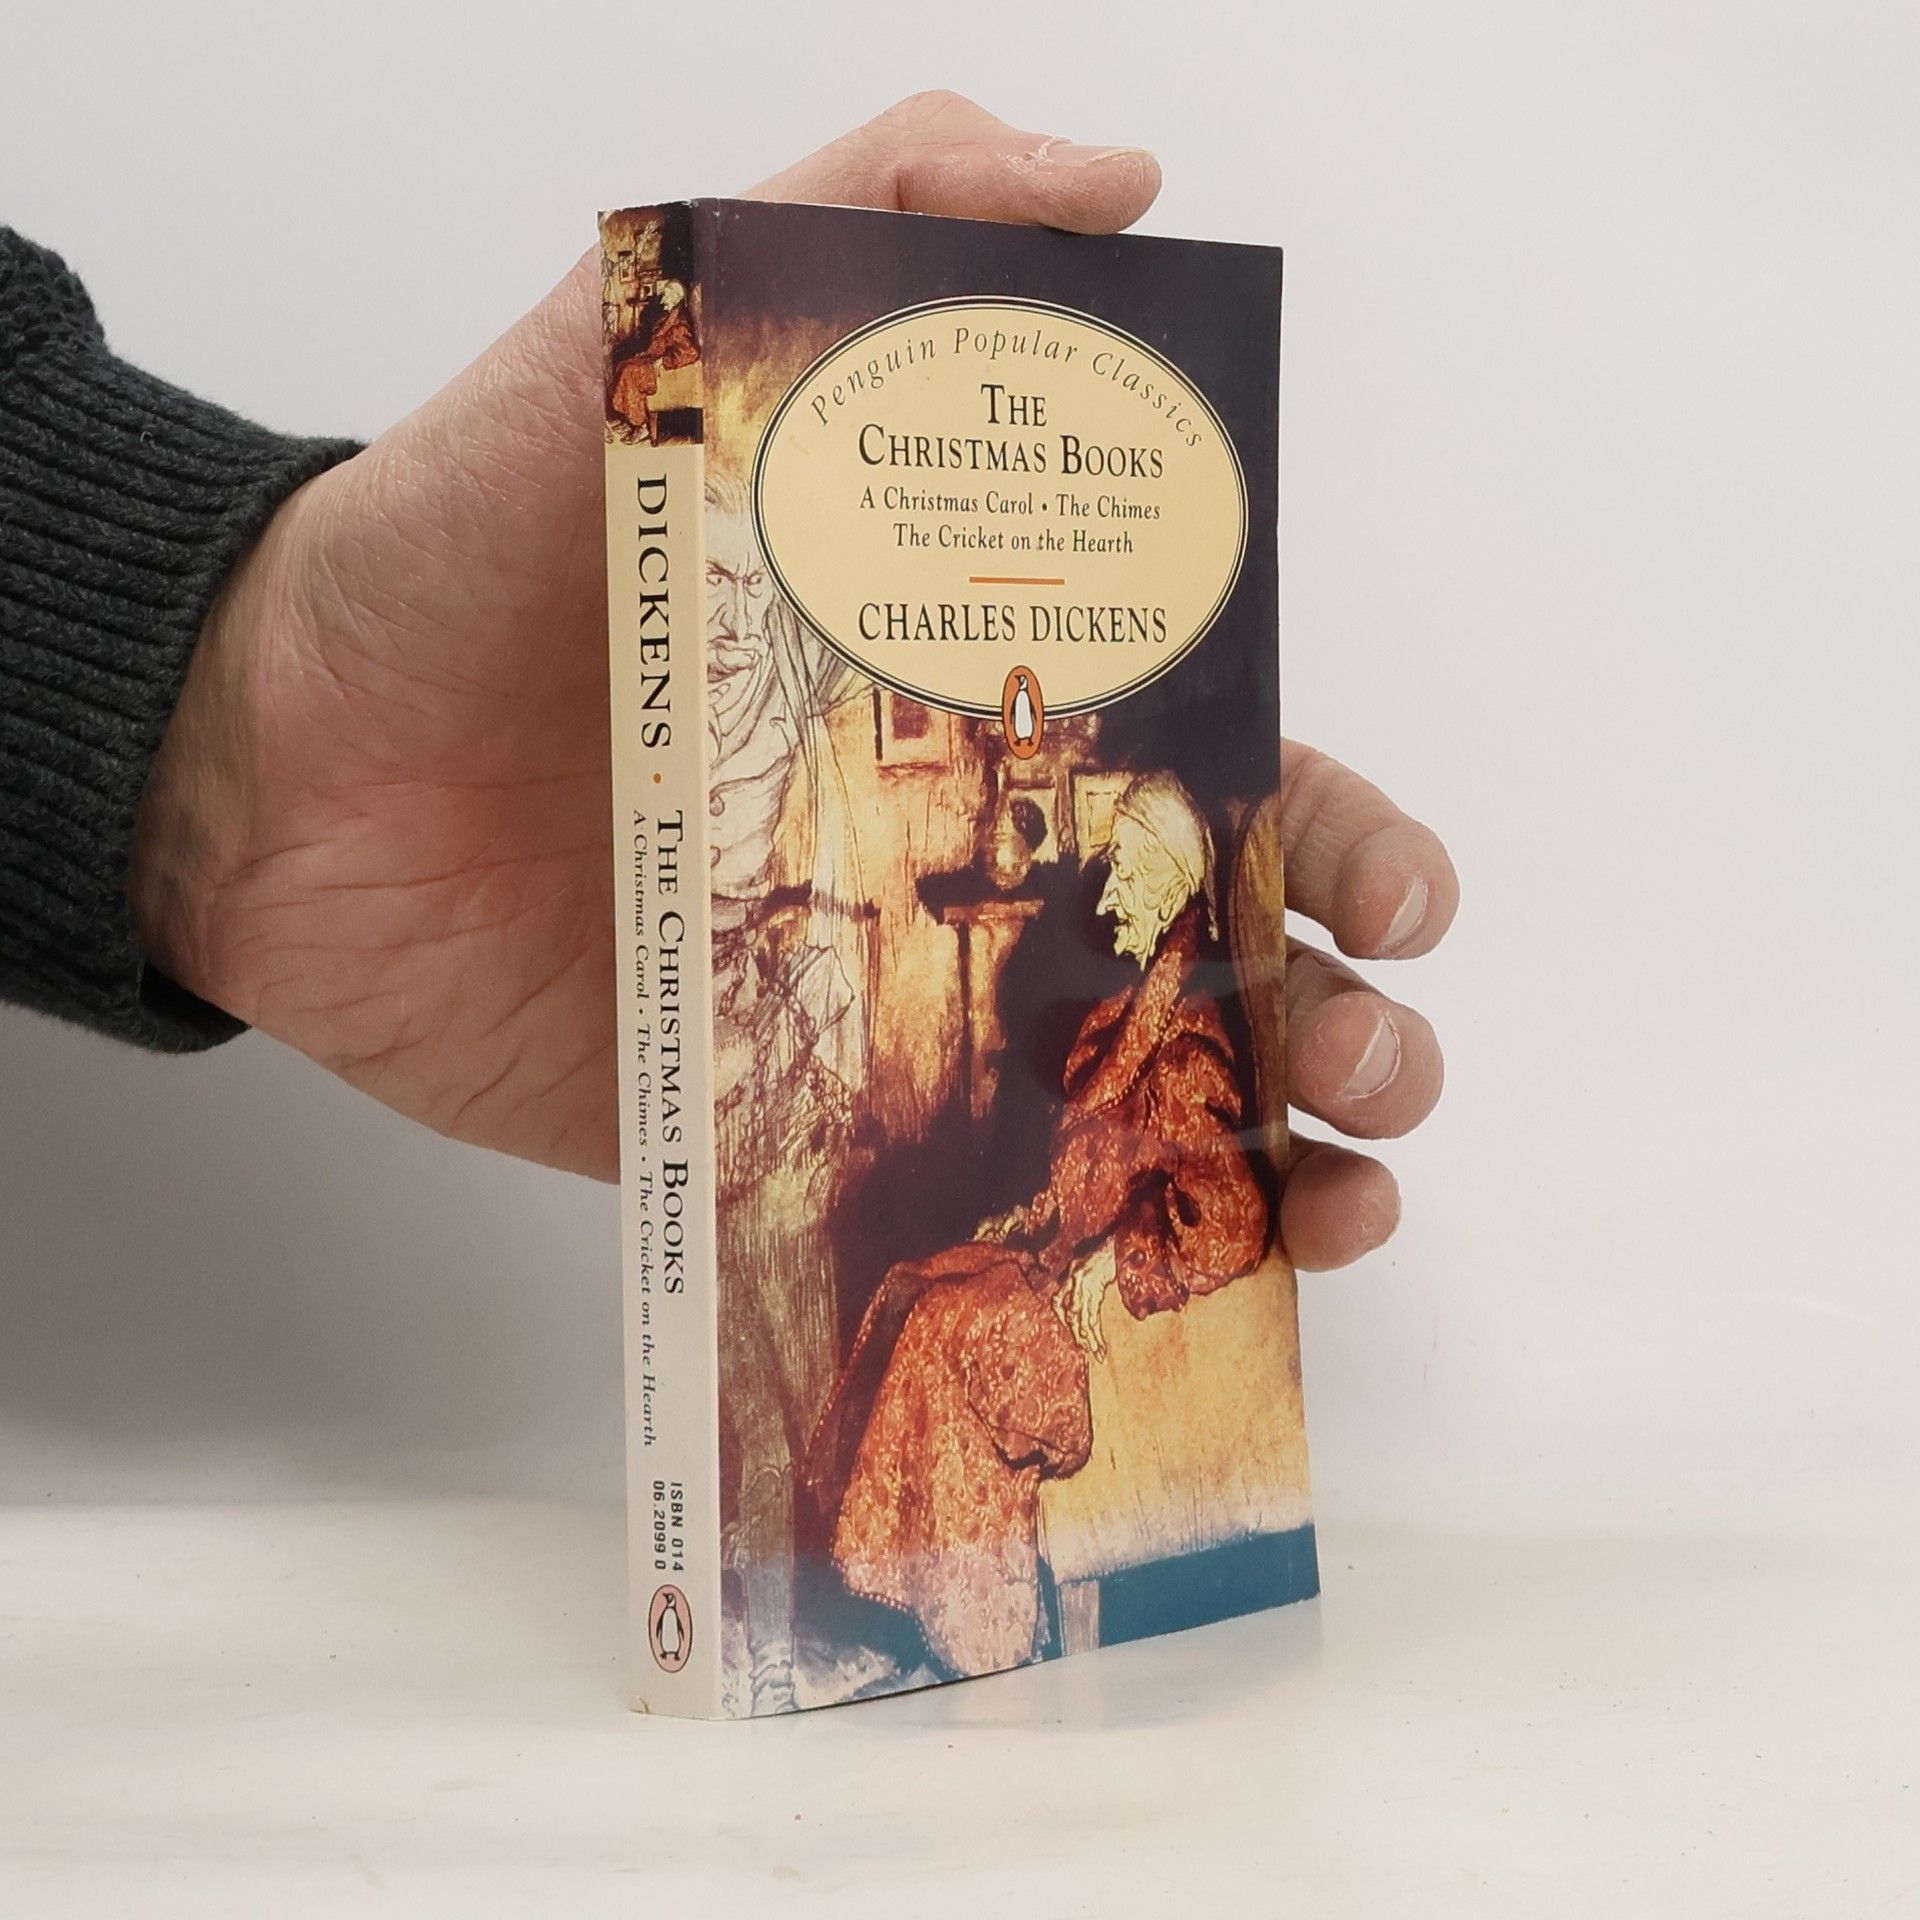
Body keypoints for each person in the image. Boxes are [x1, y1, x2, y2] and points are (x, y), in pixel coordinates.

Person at [0, 90, 1456, 1279]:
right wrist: (250, 716)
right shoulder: (798, 665)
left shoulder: (1148, 1002)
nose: (1117, 899)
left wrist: (249, 721)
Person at [806, 772, 1269, 1675]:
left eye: (1127, 869)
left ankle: (980, 1636)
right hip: (1058, 1263)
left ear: (1171, 884)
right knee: (910, 1289)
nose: (1110, 889)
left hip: (1098, 1311)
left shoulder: (1184, 1048)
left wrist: (1120, 1259)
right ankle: (907, 1605)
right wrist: (1038, 1212)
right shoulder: (1128, 1015)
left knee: (950, 1329)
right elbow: (1106, 1160)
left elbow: (1233, 1223)